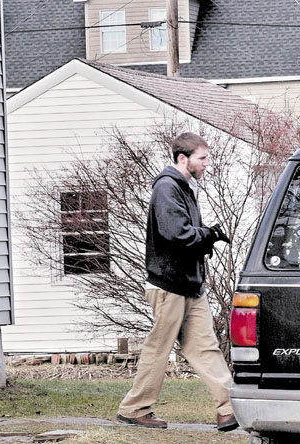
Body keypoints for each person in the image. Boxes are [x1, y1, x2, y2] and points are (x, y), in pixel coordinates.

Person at [116, 132, 237, 431]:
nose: (207, 163)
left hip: (189, 284)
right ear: (183, 158)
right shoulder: (168, 187)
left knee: (204, 347)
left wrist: (205, 237)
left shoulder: (184, 187)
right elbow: (176, 233)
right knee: (159, 348)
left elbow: (185, 234)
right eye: (202, 158)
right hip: (169, 284)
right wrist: (208, 234)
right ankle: (135, 408)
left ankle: (229, 409)